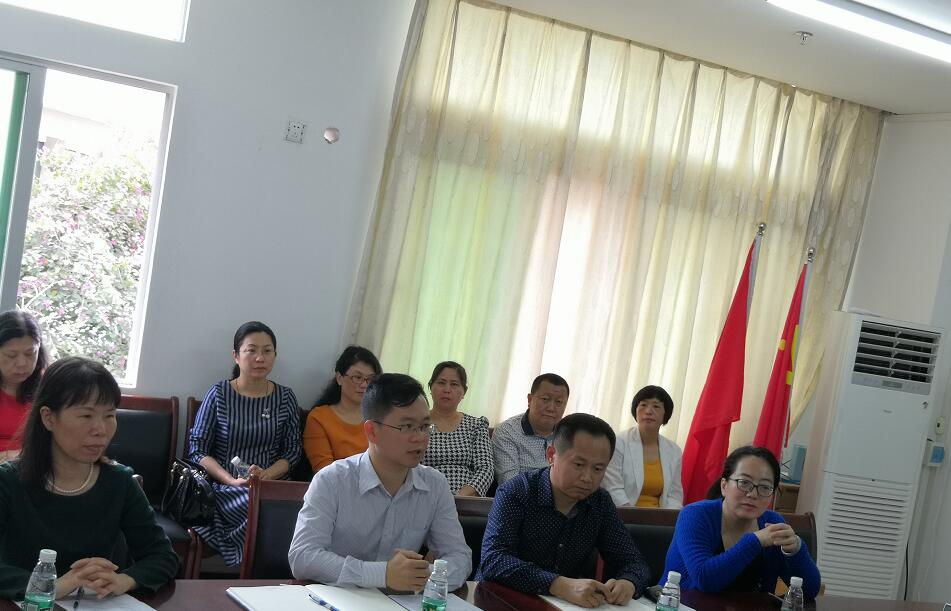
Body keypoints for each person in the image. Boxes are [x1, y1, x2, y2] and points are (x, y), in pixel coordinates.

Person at [0, 356, 178, 601]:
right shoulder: (8, 481)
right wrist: (53, 585)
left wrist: (123, 580)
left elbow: (163, 556)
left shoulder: (120, 482)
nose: (101, 430)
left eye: (109, 415)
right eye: (86, 416)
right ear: (49, 418)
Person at [288, 373, 471, 591]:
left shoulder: (435, 485)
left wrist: (420, 575)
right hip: (337, 599)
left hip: (399, 602)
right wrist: (381, 574)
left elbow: (460, 556)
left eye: (424, 426)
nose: (420, 437)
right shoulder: (332, 480)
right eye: (407, 427)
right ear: (372, 431)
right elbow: (302, 556)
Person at [479, 413, 649, 608]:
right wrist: (559, 585)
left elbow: (634, 562)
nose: (587, 477)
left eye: (597, 469)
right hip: (500, 600)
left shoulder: (599, 502)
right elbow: (494, 560)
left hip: (563, 605)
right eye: (579, 464)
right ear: (551, 455)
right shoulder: (517, 491)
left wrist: (629, 582)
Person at [188, 321, 302, 566]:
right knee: (260, 508)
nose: (260, 358)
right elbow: (197, 449)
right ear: (236, 356)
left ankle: (270, 578)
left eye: (267, 351)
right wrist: (231, 480)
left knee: (291, 508)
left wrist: (267, 475)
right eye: (251, 350)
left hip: (272, 485)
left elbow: (293, 451)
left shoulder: (285, 397)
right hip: (226, 488)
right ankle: (258, 577)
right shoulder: (219, 393)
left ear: (275, 355)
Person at [662, 446, 820, 598]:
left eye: (765, 487)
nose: (753, 494)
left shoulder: (772, 522)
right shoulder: (695, 515)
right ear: (724, 486)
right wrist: (755, 541)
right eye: (744, 482)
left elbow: (809, 591)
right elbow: (704, 580)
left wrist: (795, 551)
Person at [303, 345, 382, 472]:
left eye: (371, 379)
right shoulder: (319, 418)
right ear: (339, 378)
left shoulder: (381, 418)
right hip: (336, 483)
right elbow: (325, 472)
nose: (364, 385)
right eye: (357, 377)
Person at [602, 385, 683, 508]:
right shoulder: (618, 442)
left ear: (665, 414)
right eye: (643, 405)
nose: (648, 411)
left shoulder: (674, 450)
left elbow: (674, 495)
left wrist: (668, 517)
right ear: (635, 410)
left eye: (656, 406)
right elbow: (613, 487)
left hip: (660, 516)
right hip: (622, 512)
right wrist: (633, 515)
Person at [422, 361, 493, 496]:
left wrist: (459, 497)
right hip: (423, 496)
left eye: (454, 384)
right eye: (441, 383)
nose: (447, 390)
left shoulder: (476, 425)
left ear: (464, 392)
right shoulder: (418, 424)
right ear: (431, 387)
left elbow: (485, 469)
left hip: (466, 501)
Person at [492, 373, 569, 485]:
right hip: (521, 495)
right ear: (530, 400)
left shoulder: (569, 435)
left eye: (559, 402)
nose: (551, 408)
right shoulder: (507, 431)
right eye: (545, 399)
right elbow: (510, 484)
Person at [0, 310, 48, 463]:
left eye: (30, 353)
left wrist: (18, 456)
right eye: (11, 355)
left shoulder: (49, 386)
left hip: (34, 467)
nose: (22, 363)